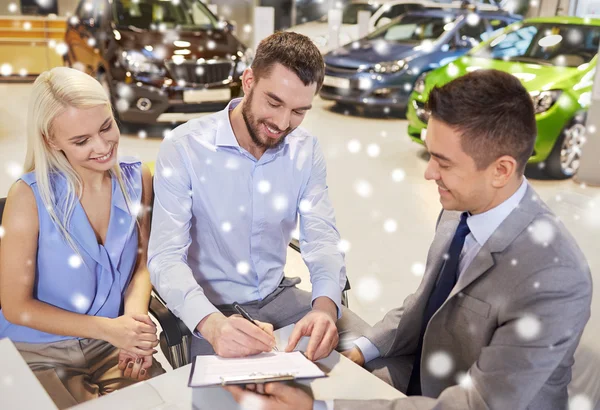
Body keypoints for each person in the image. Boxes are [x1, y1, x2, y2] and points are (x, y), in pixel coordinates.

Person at [224, 69, 593, 409]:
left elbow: (478, 404)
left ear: (501, 170)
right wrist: (363, 351)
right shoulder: (460, 206)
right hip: (421, 375)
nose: (430, 173)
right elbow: (427, 301)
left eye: (444, 162)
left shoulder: (554, 278)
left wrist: (319, 408)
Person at [148, 31, 369, 361]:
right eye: (274, 102)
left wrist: (324, 308)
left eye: (299, 111)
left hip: (280, 296)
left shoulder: (305, 150)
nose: (282, 123)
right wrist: (211, 324)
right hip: (216, 311)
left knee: (380, 353)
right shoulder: (185, 148)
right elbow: (165, 258)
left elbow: (321, 238)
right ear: (248, 81)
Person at [0, 67, 164, 409]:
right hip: (39, 351)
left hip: (111, 344)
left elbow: (143, 260)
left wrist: (133, 327)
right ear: (51, 140)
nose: (103, 147)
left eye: (106, 127)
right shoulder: (27, 198)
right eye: (81, 140)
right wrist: (110, 330)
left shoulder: (138, 177)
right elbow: (16, 307)